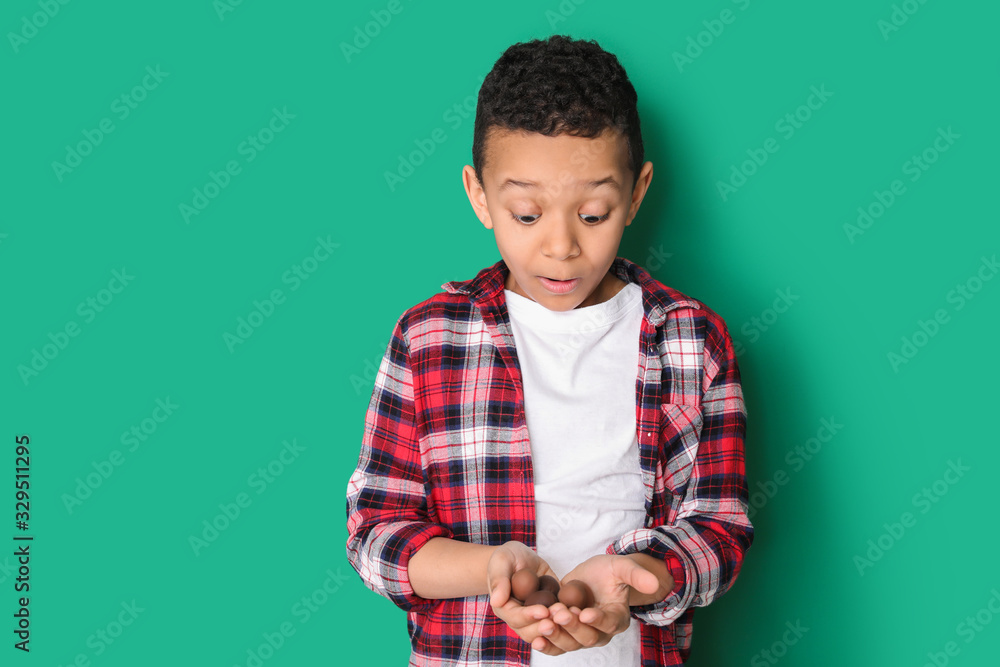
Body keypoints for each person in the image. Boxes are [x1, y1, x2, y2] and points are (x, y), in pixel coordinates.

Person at [345, 34, 752, 666]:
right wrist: (493, 569)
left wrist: (633, 577)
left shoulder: (689, 339)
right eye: (527, 214)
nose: (560, 247)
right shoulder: (428, 339)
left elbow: (719, 530)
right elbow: (377, 532)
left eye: (592, 214)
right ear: (480, 195)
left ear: (637, 192)